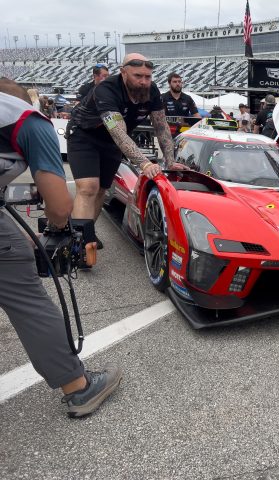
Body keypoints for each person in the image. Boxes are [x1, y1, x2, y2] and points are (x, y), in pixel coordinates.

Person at [0, 78, 122, 418]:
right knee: (29, 303)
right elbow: (59, 206)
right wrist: (53, 232)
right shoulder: (27, 119)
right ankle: (79, 387)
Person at [67, 53, 187, 250]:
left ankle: (87, 233)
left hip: (112, 143)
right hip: (85, 135)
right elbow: (117, 131)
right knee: (88, 187)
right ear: (123, 73)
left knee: (102, 189)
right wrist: (145, 163)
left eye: (147, 77)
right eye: (137, 76)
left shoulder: (152, 90)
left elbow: (160, 125)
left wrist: (170, 160)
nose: (143, 82)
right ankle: (78, 243)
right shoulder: (106, 89)